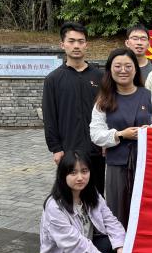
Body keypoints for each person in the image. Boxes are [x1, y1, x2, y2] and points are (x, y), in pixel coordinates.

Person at [39, 150, 127, 253]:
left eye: (84, 171)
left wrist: (120, 246)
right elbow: (74, 243)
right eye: (73, 173)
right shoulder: (55, 207)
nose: (80, 177)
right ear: (62, 175)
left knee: (114, 245)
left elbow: (110, 220)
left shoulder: (91, 193)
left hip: (86, 249)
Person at [89, 48, 152, 229]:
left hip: (145, 164)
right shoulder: (104, 99)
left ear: (135, 69)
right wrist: (120, 134)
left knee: (145, 208)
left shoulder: (147, 95)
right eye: (118, 66)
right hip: (117, 164)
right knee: (118, 209)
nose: (123, 70)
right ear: (110, 69)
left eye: (128, 66)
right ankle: (120, 244)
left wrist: (150, 130)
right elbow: (95, 133)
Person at [42, 22, 105, 194]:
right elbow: (50, 117)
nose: (76, 45)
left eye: (80, 41)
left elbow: (108, 110)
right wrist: (56, 148)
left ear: (86, 44)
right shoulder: (53, 79)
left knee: (97, 196)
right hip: (69, 151)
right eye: (71, 41)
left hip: (97, 150)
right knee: (70, 197)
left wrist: (107, 142)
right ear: (62, 44)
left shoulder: (100, 77)